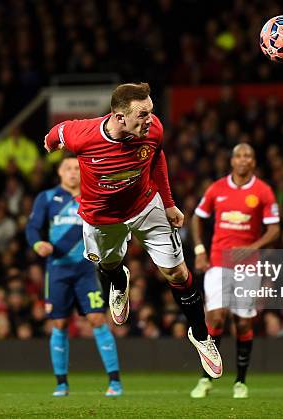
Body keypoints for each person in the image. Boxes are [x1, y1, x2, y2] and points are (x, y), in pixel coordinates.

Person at [43, 82, 222, 379]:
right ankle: (118, 280)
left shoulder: (152, 130)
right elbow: (56, 133)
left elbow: (158, 158)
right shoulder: (84, 136)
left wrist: (168, 203)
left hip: (144, 206)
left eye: (151, 112)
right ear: (119, 117)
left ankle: (202, 336)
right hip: (102, 218)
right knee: (108, 264)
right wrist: (49, 144)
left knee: (177, 272)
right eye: (142, 115)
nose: (149, 120)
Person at [26, 156, 122, 397]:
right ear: (59, 172)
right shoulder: (47, 198)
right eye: (67, 168)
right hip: (57, 269)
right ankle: (61, 384)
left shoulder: (93, 197)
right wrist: (38, 244)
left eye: (76, 168)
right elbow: (32, 227)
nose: (72, 172)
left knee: (98, 320)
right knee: (58, 324)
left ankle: (115, 382)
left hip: (85, 270)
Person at [190, 143, 280, 399]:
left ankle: (240, 381)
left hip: (248, 265)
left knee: (242, 321)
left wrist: (253, 246)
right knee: (216, 317)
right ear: (232, 161)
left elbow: (274, 229)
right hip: (218, 261)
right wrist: (199, 249)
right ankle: (206, 377)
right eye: (238, 155)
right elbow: (197, 217)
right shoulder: (217, 188)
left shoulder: (263, 191)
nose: (243, 160)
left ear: (253, 162)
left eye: (248, 156)